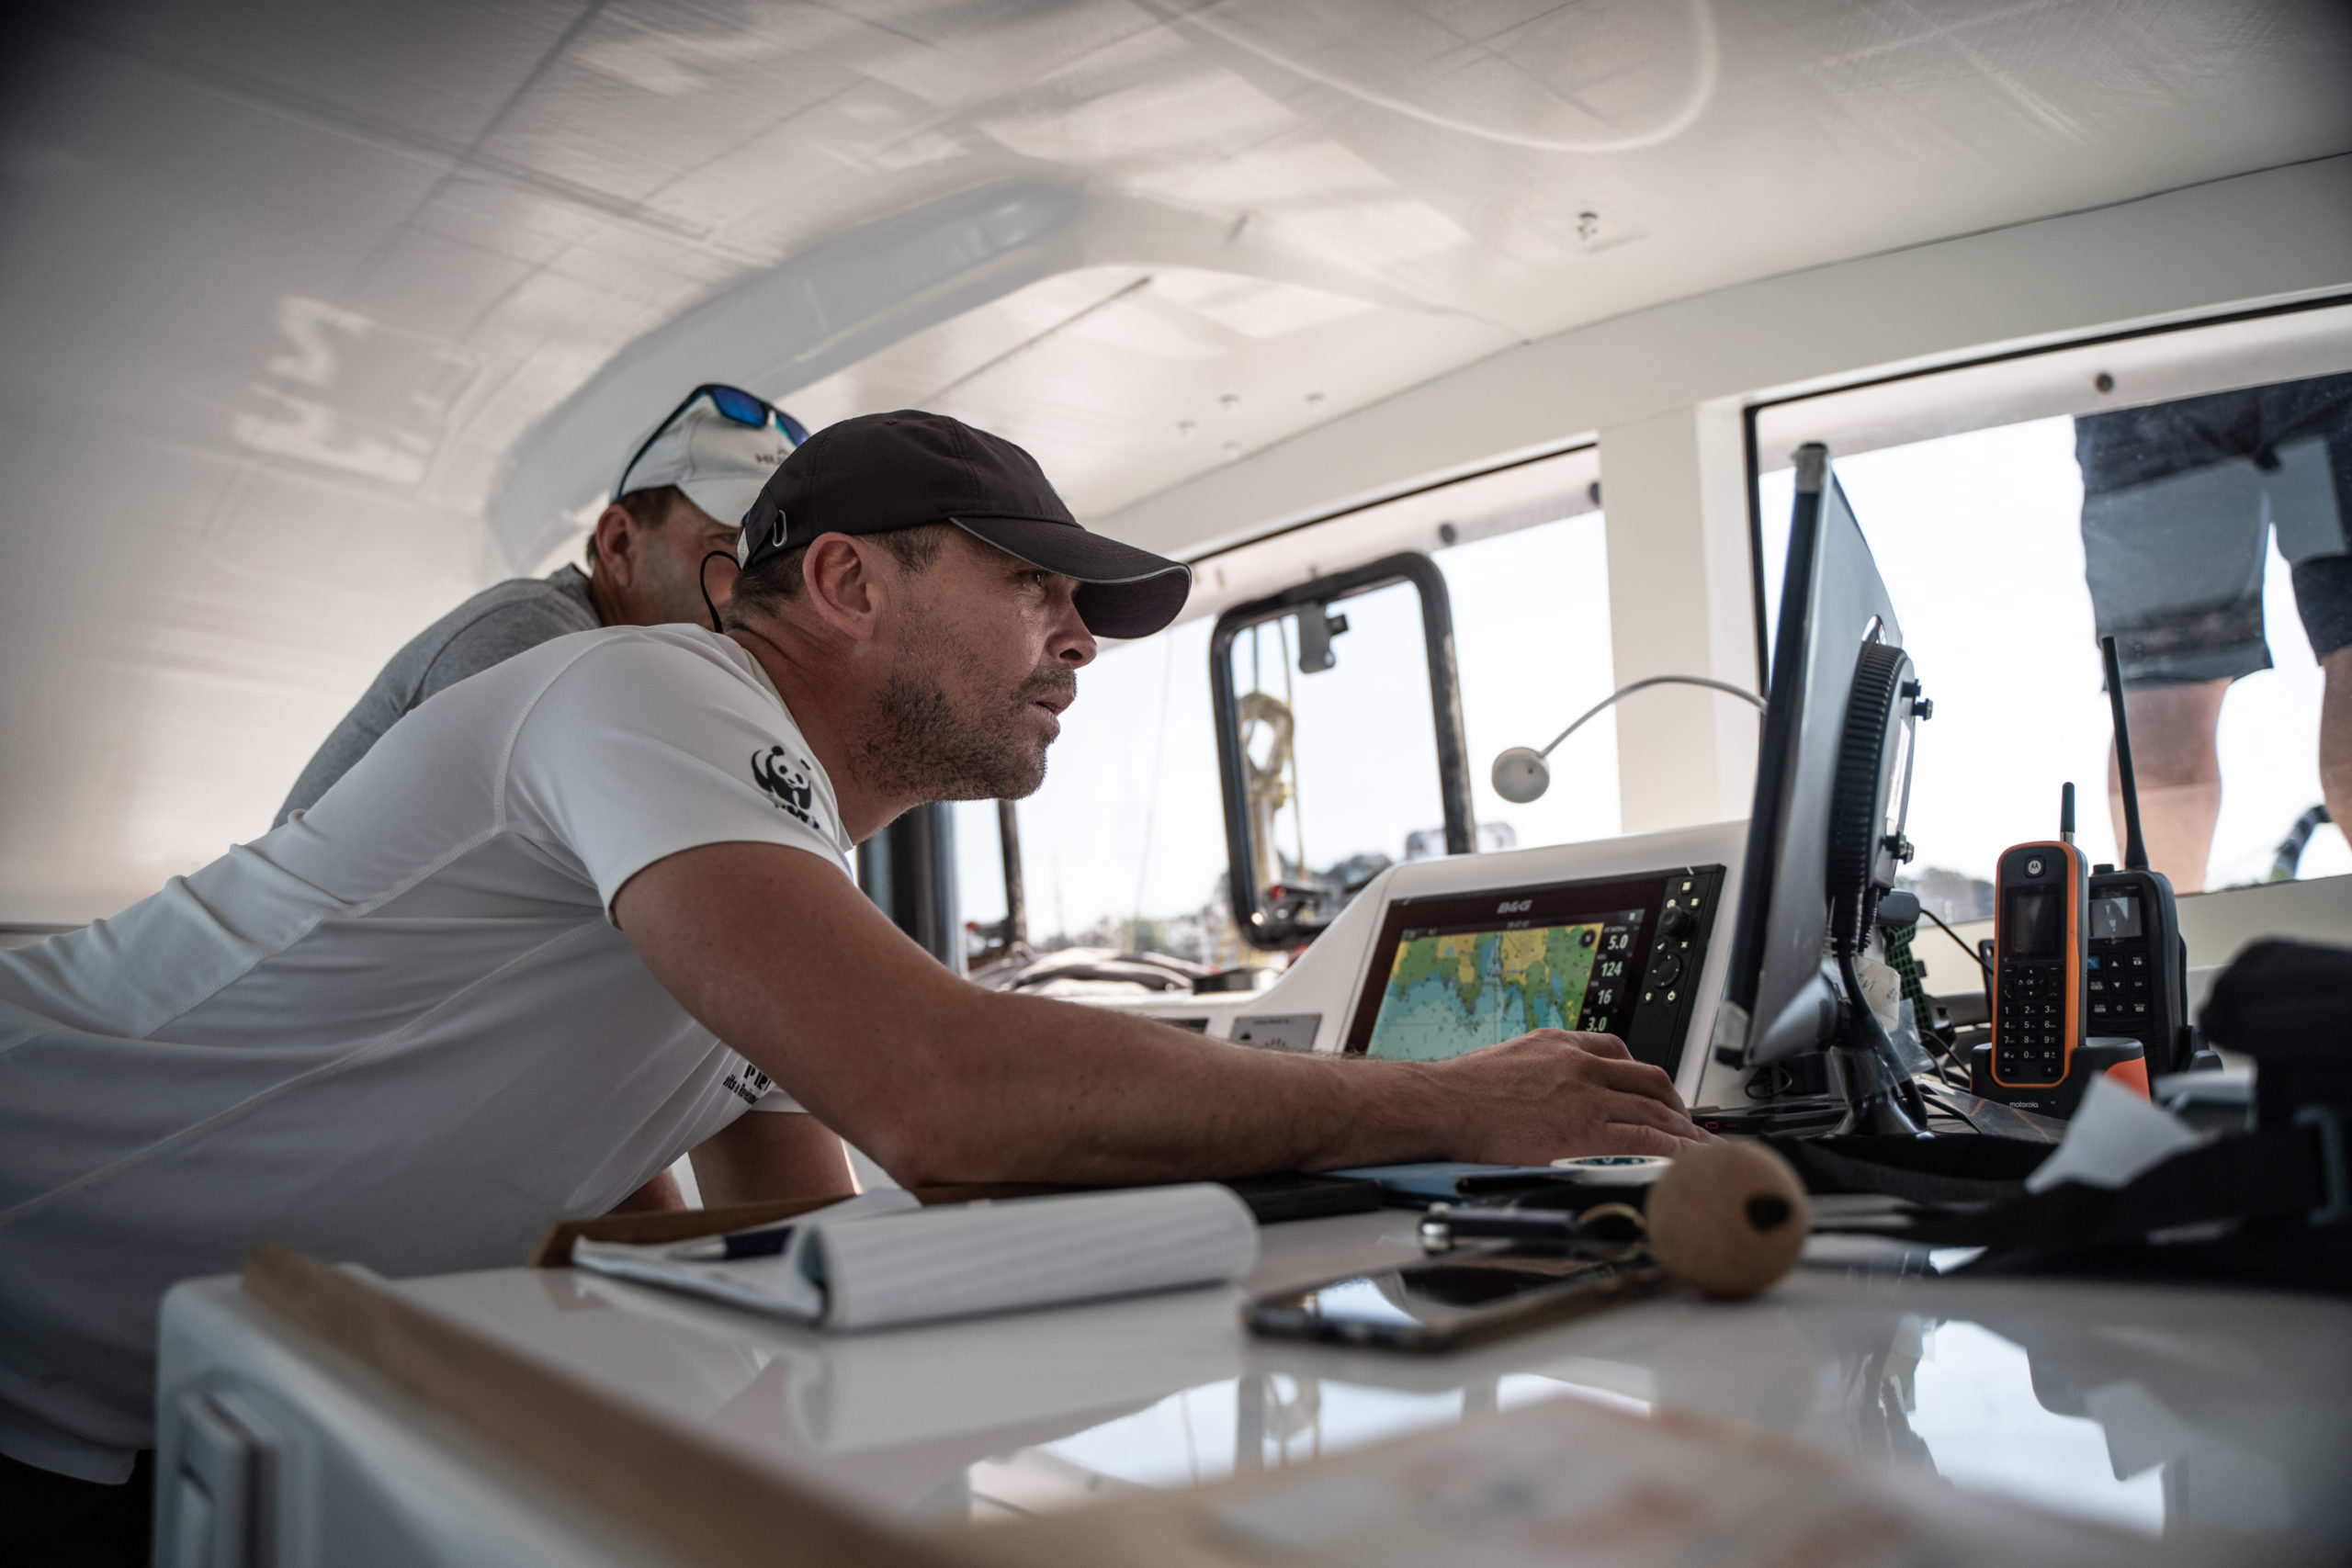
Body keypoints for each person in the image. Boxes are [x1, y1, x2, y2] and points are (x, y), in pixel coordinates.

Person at [0, 410, 1707, 1561]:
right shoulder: (651, 697)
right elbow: (939, 1091)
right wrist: (1444, 1102)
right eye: (1032, 582)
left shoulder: (764, 862)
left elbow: (810, 1230)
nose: (1078, 638)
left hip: (126, 1387)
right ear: (844, 581)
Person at [272, 383, 808, 827]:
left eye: (771, 553)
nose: (758, 581)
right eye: (730, 543)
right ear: (619, 542)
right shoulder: (531, 637)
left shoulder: (630, 676)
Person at [2077, 370, 2352, 891]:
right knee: (2164, 698)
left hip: (2146, 357)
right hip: (2320, 341)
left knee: (2165, 689)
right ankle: (2160, 926)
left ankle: (2162, 934)